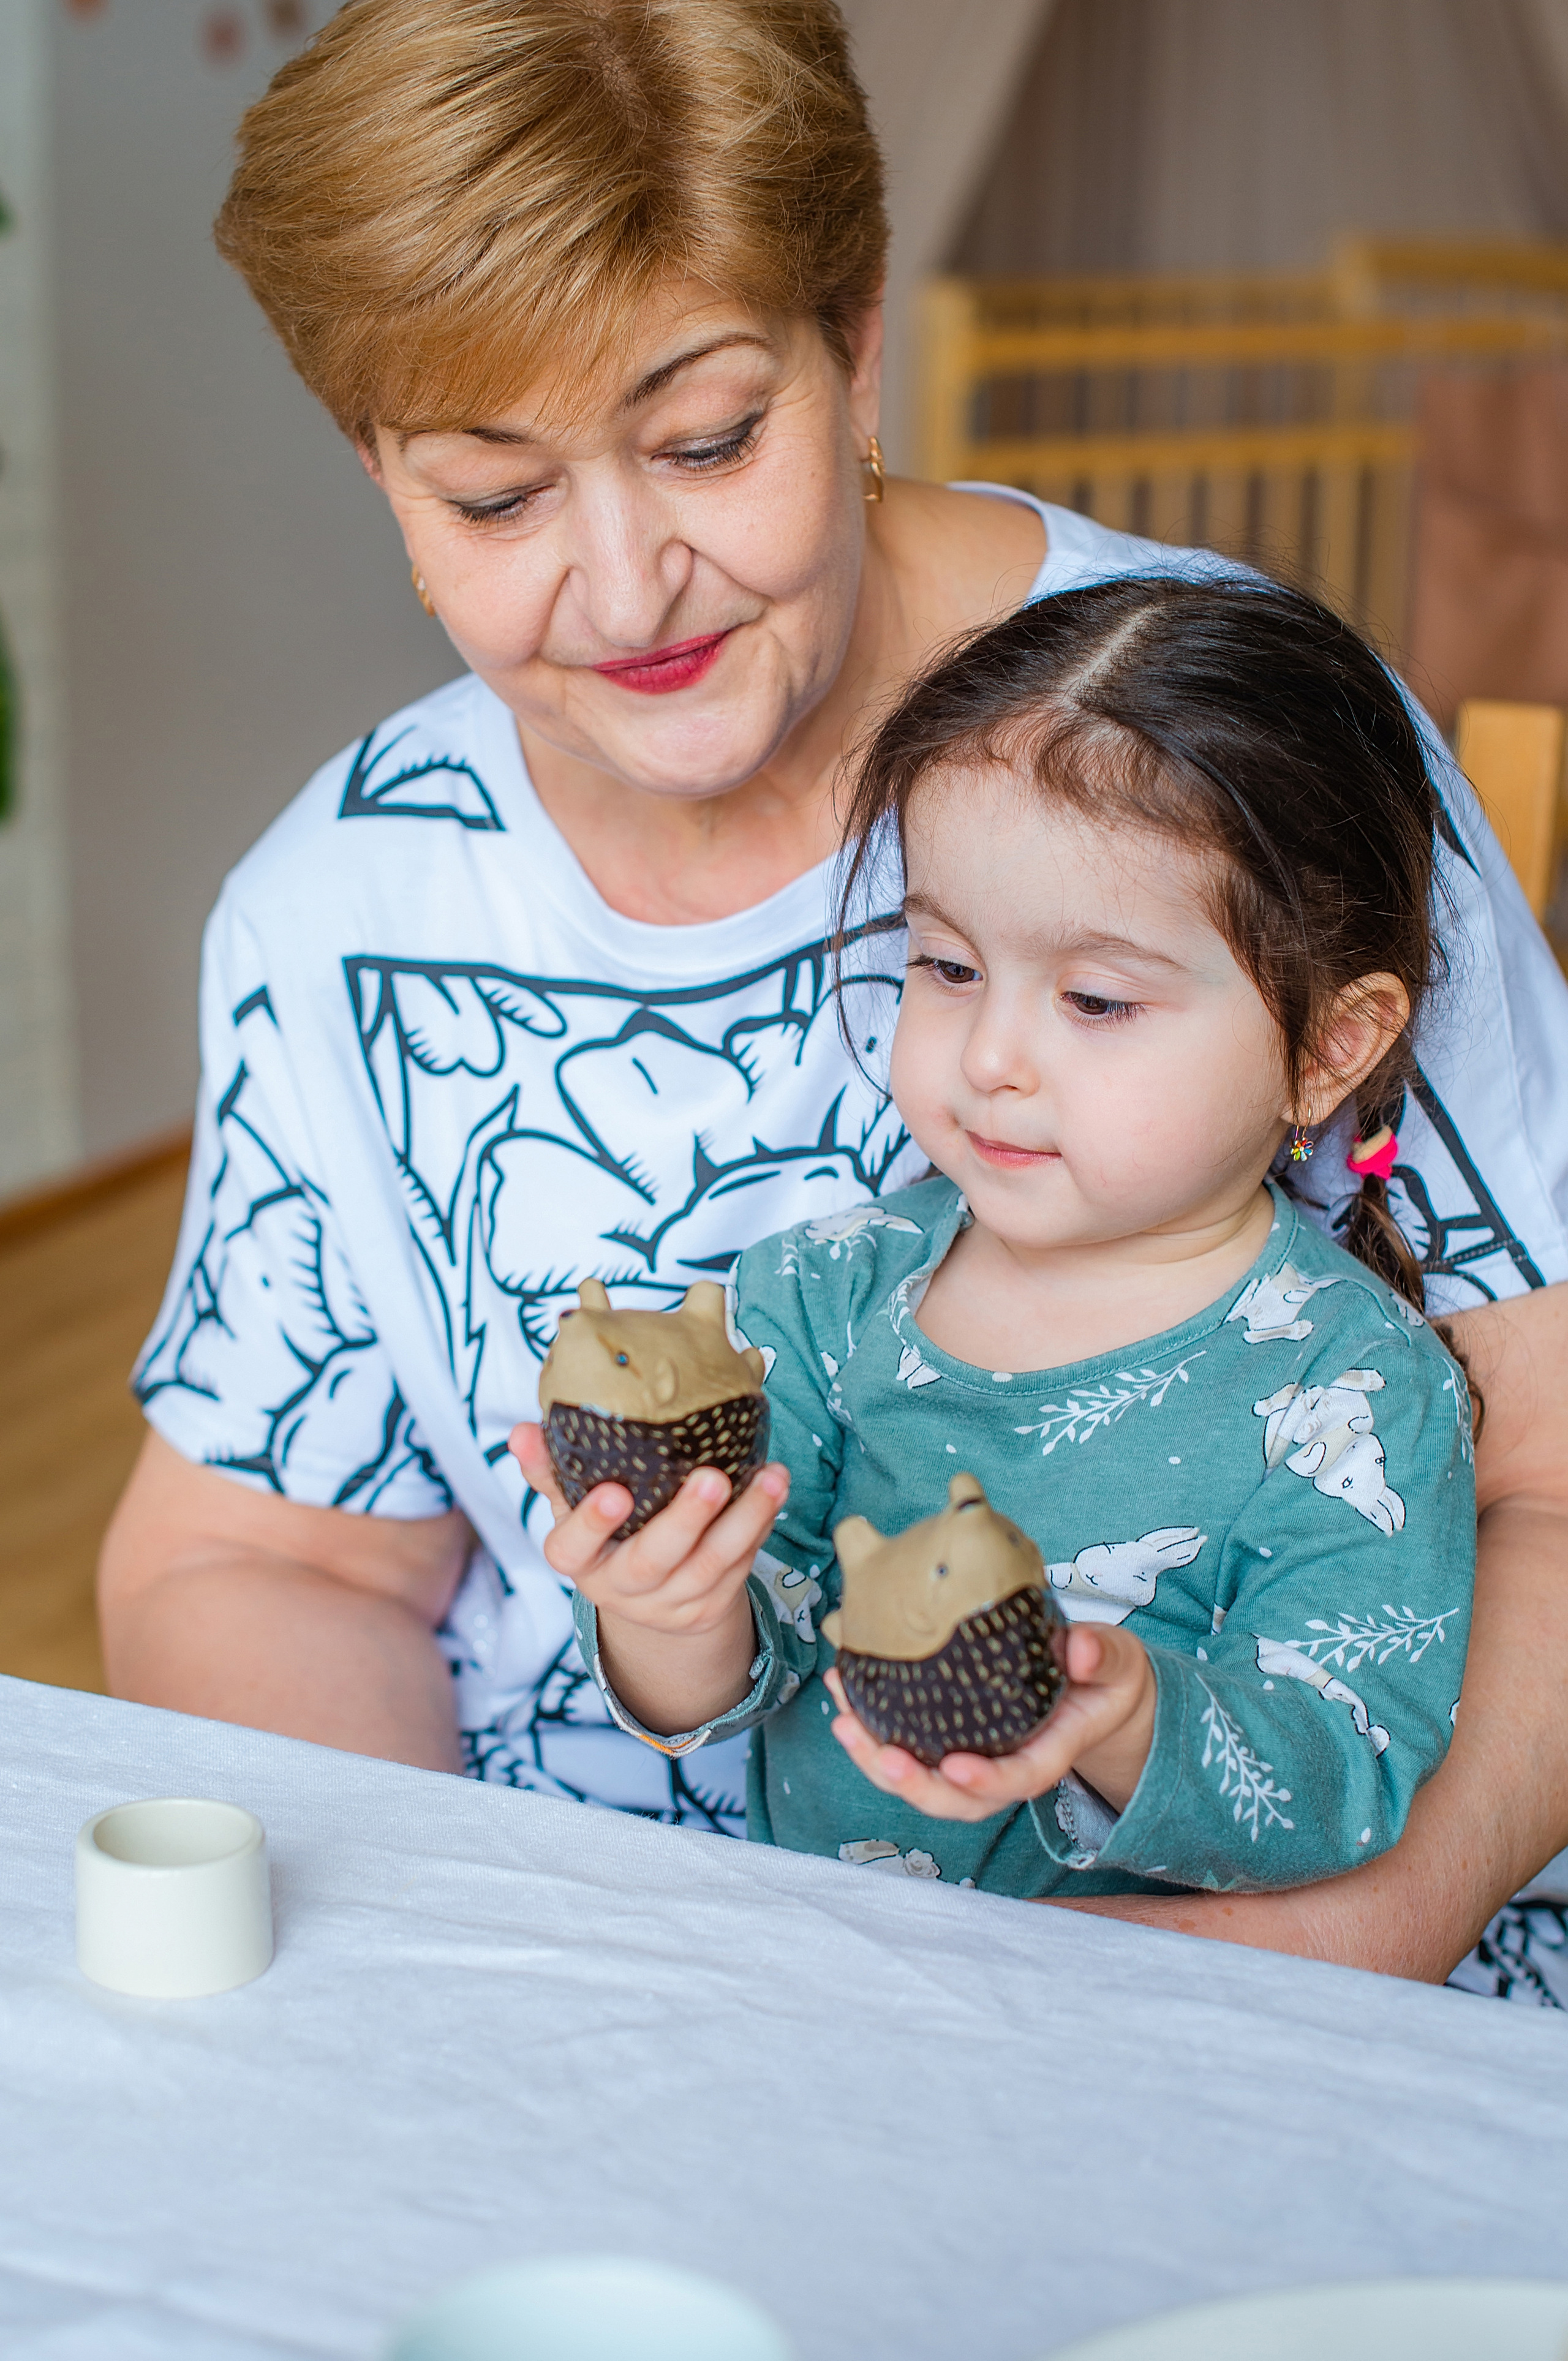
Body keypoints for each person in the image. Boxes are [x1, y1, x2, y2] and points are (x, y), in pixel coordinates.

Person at [99, 0, 1568, 1993]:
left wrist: (1329, 1948)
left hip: (1296, 1936)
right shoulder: (337, 905)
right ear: (376, 463)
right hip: (631, 1981)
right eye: (494, 497)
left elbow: (1553, 1474)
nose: (627, 594)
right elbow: (263, 1556)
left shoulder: (1242, 756)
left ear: (854, 342)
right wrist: (442, 1980)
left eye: (709, 440)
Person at [527, 576, 1477, 1897]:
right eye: (947, 965)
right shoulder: (818, 1296)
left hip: (1160, 2038)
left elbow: (1350, 1769)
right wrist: (664, 1605)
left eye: (1092, 998)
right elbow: (742, 1674)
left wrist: (1127, 1710)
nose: (987, 1056)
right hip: (842, 1991)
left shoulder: (1349, 1389)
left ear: (1327, 1047)